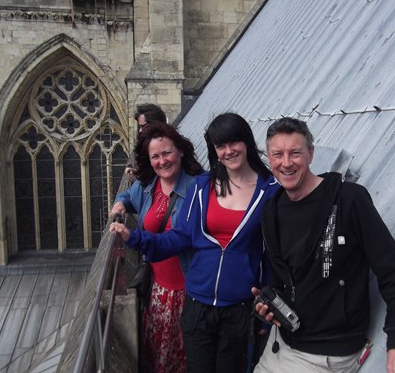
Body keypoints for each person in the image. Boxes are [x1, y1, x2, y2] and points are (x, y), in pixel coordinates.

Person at [110, 113, 280, 373]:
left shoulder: (270, 192)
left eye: (233, 142)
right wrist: (134, 237)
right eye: (220, 146)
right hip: (198, 304)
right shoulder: (203, 187)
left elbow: (273, 254)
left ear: (246, 141)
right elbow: (180, 237)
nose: (228, 151)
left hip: (240, 307)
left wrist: (266, 303)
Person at [252, 117, 395, 373]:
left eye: (295, 153)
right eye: (277, 154)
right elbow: (283, 280)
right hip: (279, 343)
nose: (286, 163)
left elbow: (393, 271)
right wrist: (270, 307)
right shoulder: (272, 210)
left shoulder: (349, 200)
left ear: (310, 153)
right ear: (269, 158)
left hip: (324, 357)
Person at [110, 121, 204, 373]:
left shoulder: (198, 189)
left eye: (167, 153)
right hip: (157, 292)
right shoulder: (147, 187)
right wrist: (119, 204)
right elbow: (128, 196)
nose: (162, 161)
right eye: (155, 156)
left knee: (185, 362)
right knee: (157, 361)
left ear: (181, 151)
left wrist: (133, 237)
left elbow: (180, 239)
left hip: (187, 292)